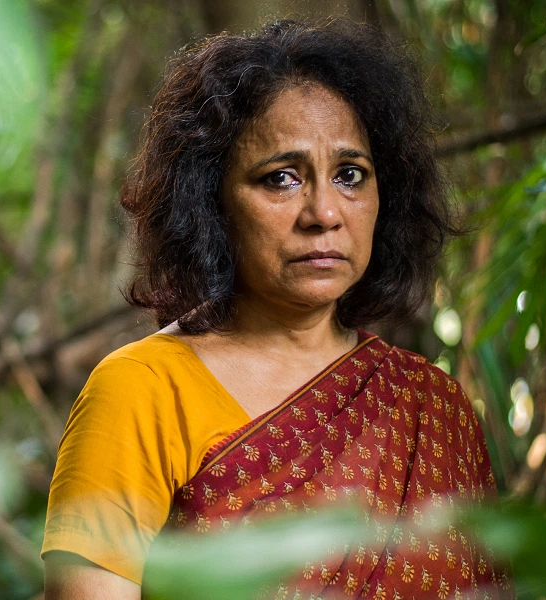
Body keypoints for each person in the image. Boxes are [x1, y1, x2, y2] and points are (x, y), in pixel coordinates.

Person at [41, 19, 511, 599]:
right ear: (210, 200)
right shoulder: (139, 391)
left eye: (350, 175)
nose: (324, 212)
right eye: (281, 178)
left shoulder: (433, 406)